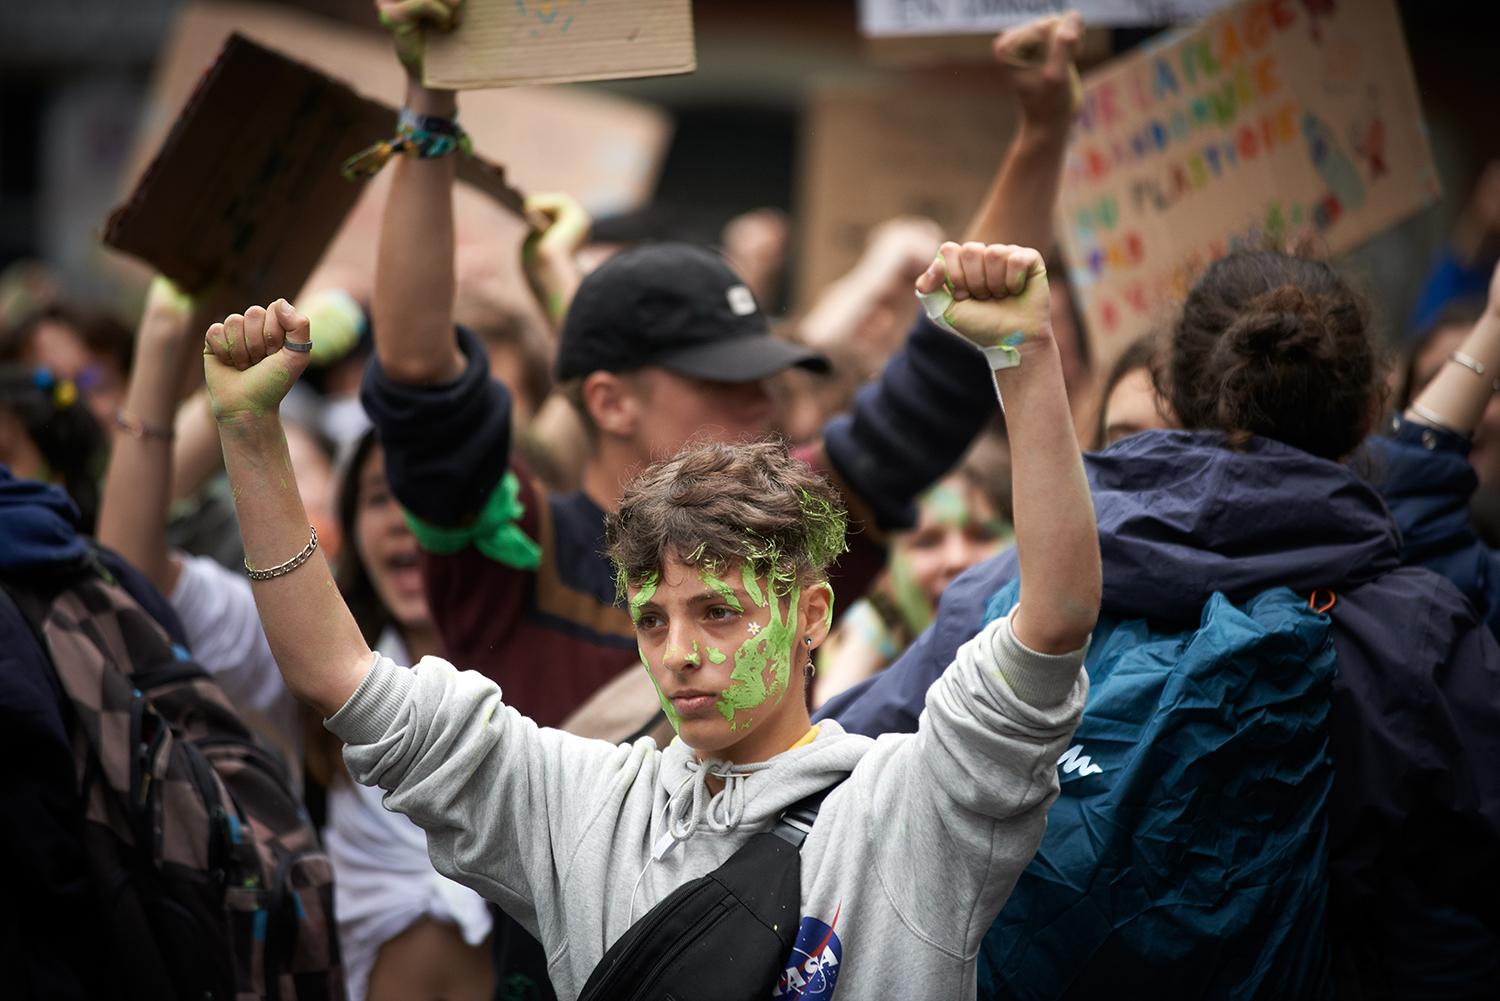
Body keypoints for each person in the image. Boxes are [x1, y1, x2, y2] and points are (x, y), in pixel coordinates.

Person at [199, 235, 1097, 999]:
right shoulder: (584, 807)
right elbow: (337, 676)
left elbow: (1052, 617)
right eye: (653, 620)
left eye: (719, 611)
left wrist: (1025, 356)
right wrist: (247, 435)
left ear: (813, 613)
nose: (681, 655)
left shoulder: (913, 803)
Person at [822, 249, 1500, 998]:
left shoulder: (1016, 593)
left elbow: (832, 770)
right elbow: (1463, 895)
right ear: (1373, 410)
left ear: (1169, 394)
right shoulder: (1416, 633)